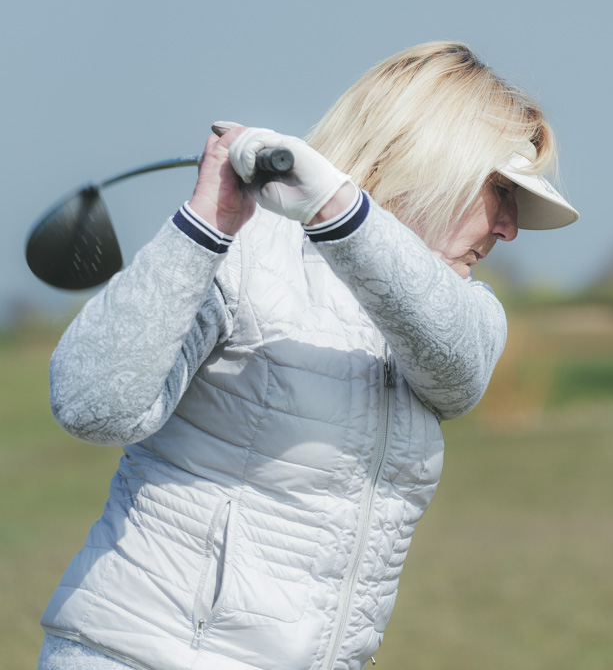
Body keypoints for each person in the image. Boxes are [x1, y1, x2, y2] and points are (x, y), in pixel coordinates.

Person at [37, 42, 579, 670]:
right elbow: (92, 405)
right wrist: (206, 223)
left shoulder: (465, 312)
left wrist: (337, 209)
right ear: (429, 159)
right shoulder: (244, 253)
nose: (509, 226)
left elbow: (456, 374)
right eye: (500, 191)